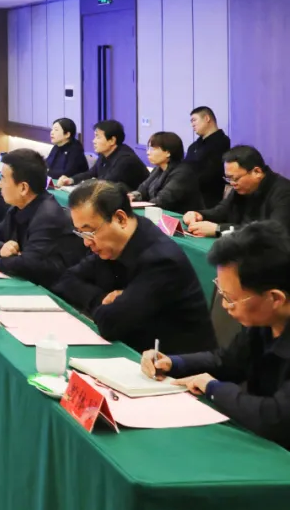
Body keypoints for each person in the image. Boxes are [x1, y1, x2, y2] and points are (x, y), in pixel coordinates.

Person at [141, 221, 290, 449]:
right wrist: (173, 363)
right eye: (221, 293)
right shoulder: (264, 321)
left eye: (231, 298)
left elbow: (275, 418)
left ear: (275, 298)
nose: (224, 305)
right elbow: (228, 362)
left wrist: (213, 388)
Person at [52, 180, 217, 354]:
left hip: (175, 364)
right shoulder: (110, 244)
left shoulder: (161, 260)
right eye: (81, 233)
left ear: (120, 219)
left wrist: (109, 308)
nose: (86, 242)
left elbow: (110, 324)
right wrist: (103, 299)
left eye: (90, 231)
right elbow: (66, 281)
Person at [0, 149, 87, 288]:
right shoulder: (17, 208)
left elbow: (30, 264)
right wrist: (0, 249)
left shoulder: (48, 216)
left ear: (23, 188)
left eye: (4, 179)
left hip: (54, 290)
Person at [183, 146, 290, 237]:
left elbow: (274, 233)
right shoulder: (240, 188)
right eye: (228, 179)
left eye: (235, 178)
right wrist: (199, 215)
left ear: (257, 172)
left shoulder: (284, 192)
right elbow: (220, 212)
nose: (232, 183)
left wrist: (219, 229)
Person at [57, 120, 149, 191]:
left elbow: (106, 183)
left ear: (112, 140)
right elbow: (91, 173)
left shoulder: (126, 159)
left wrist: (83, 185)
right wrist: (71, 180)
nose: (94, 141)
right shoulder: (104, 154)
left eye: (98, 137)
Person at [128, 131, 204, 214]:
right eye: (148, 148)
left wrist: (139, 205)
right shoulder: (158, 169)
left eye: (153, 149)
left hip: (180, 217)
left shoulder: (183, 173)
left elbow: (163, 200)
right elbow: (143, 189)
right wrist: (132, 196)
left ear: (168, 152)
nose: (148, 152)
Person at [184, 106, 232, 208]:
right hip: (188, 195)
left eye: (194, 120)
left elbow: (211, 172)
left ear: (206, 118)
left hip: (208, 200)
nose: (192, 124)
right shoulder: (193, 146)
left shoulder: (222, 142)